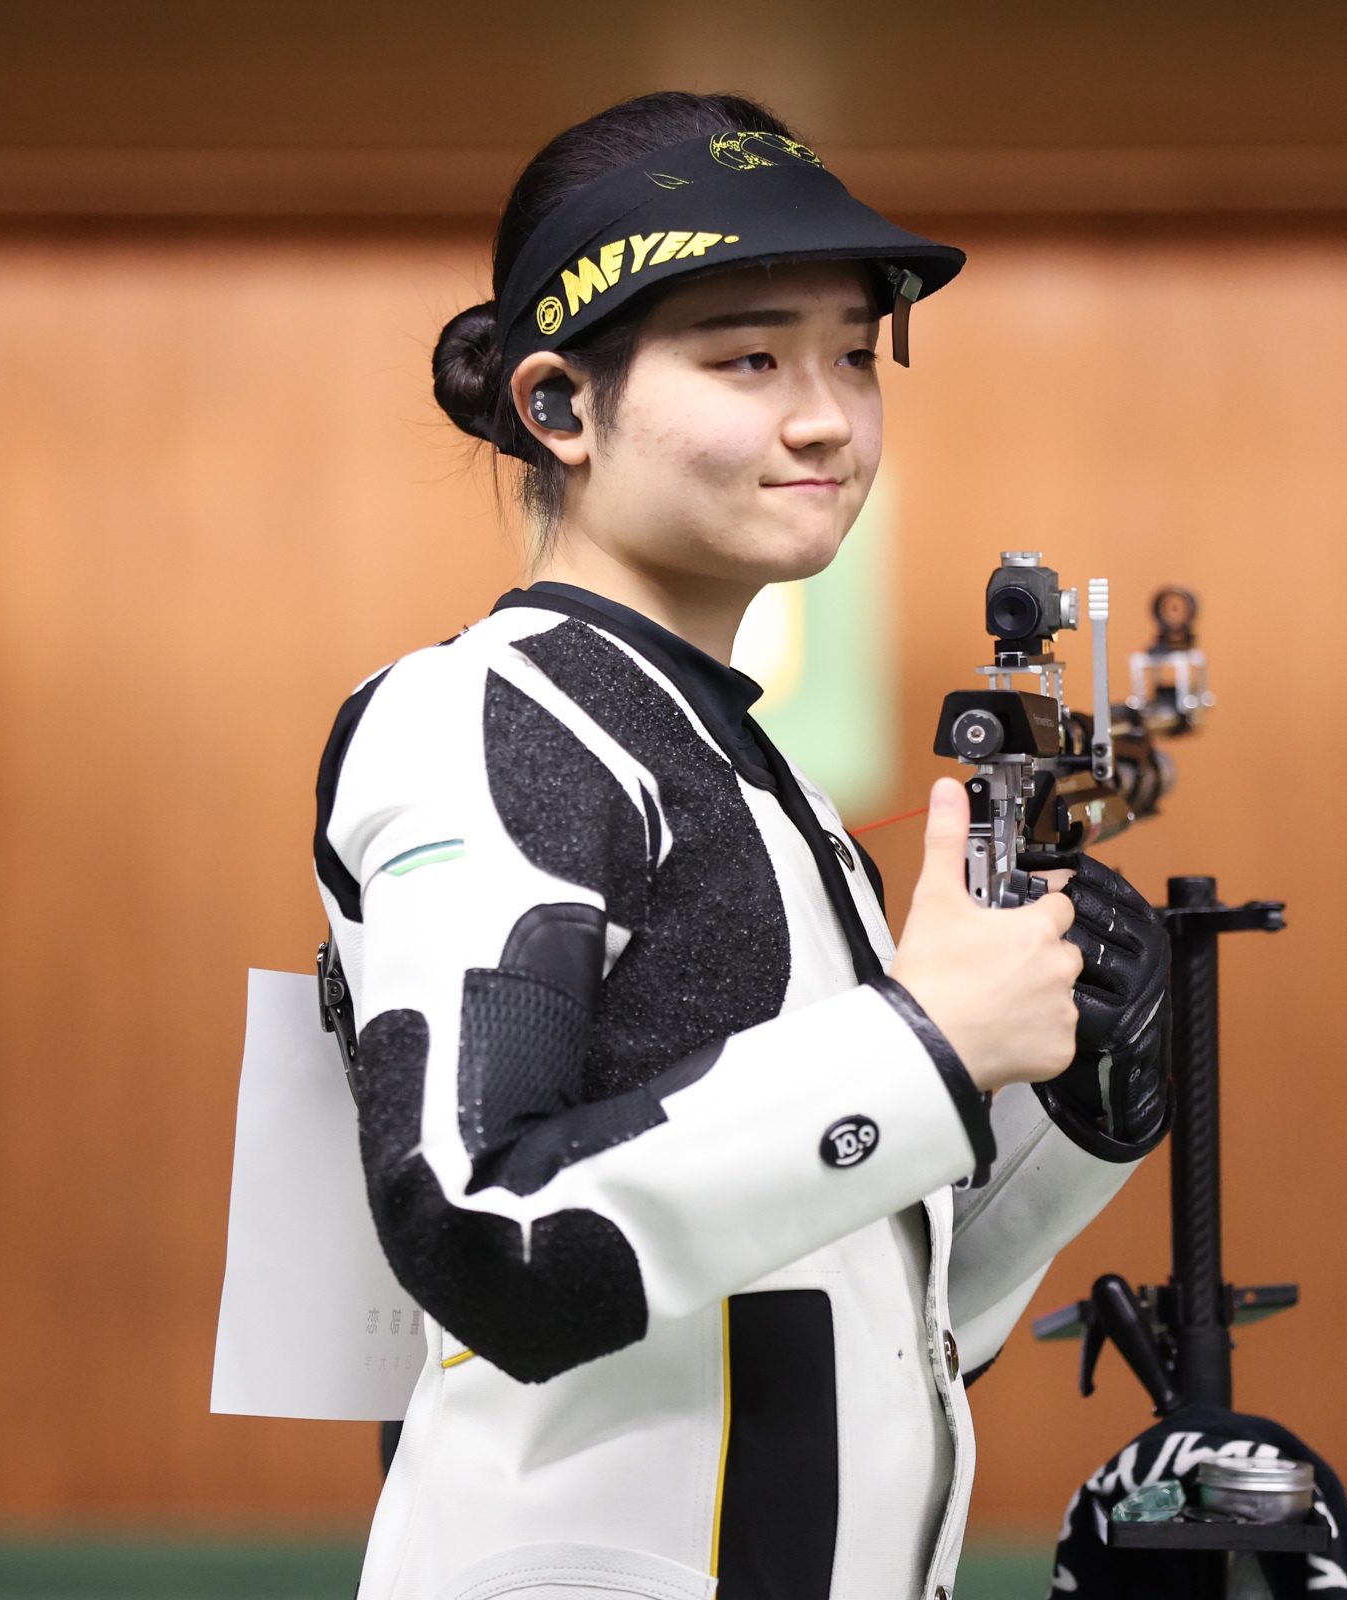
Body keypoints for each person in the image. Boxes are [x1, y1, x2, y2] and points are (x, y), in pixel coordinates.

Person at [313, 91, 1173, 1600]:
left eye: (855, 354)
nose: (828, 415)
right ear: (559, 407)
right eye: (750, 358)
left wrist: (1070, 1114)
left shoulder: (758, 779)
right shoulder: (484, 714)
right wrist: (927, 1044)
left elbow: (879, 1318)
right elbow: (490, 1230)